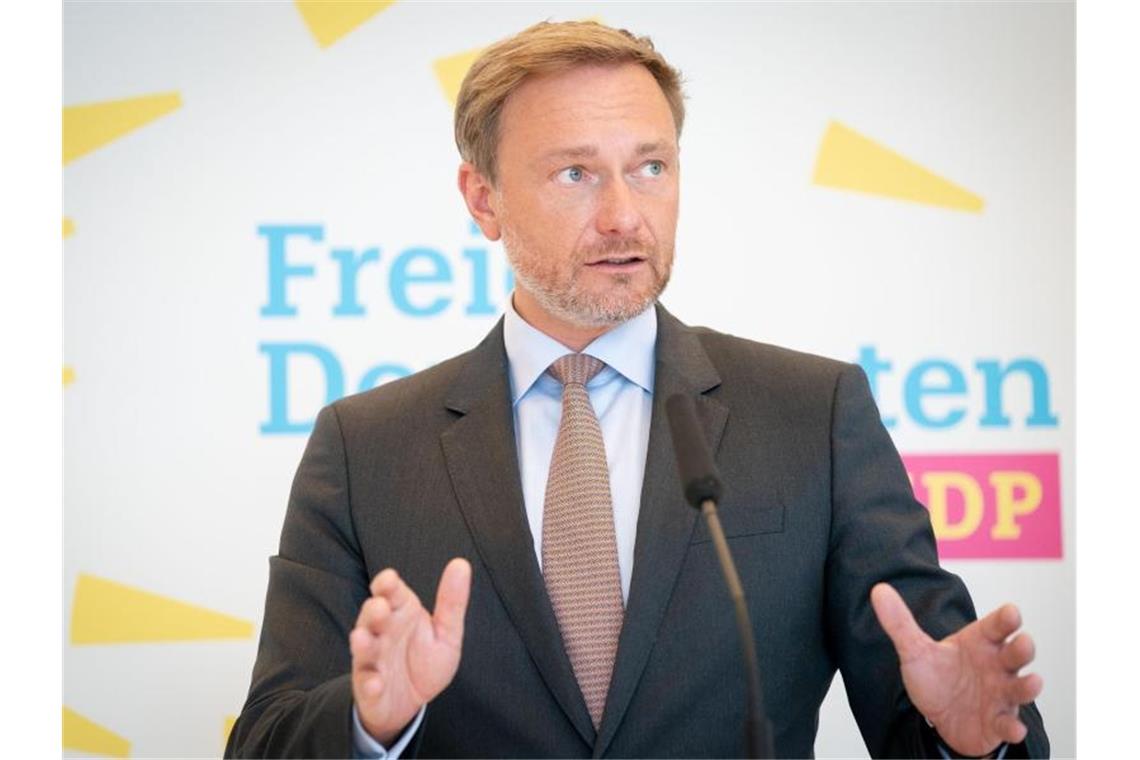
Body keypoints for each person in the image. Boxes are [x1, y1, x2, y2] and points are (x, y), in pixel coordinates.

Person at [226, 20, 1048, 759]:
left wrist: (966, 743)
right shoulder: (365, 448)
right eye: (575, 173)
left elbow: (942, 698)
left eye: (650, 166)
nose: (624, 215)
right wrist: (370, 723)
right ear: (483, 199)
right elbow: (266, 740)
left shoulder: (813, 415)